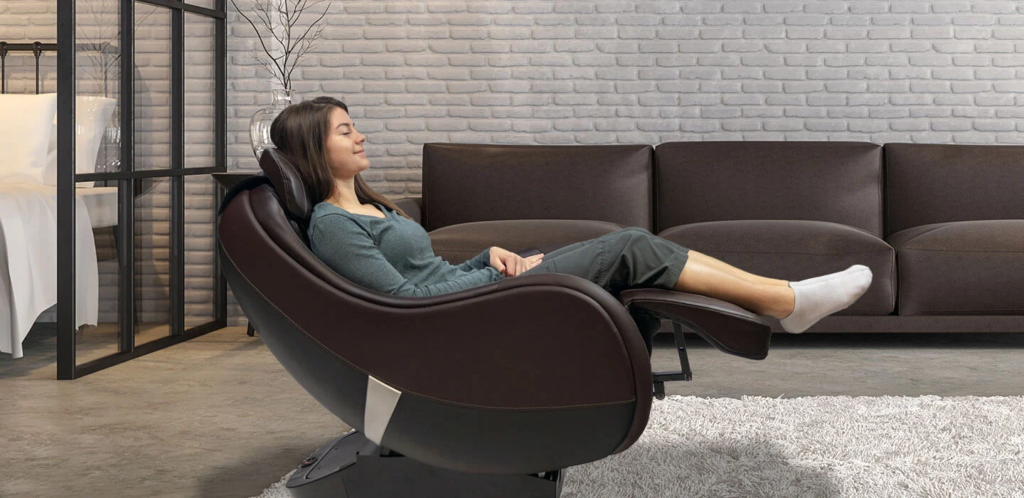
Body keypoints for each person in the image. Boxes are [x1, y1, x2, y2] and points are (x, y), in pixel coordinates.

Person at [269, 96, 873, 335]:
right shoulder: (331, 224)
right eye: (346, 131)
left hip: (476, 290)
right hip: (462, 314)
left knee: (636, 247)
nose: (361, 136)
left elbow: (427, 268)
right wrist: (495, 278)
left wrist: (487, 257)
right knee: (629, 245)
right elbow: (404, 302)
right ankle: (785, 302)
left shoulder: (373, 206)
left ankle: (783, 299)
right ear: (311, 148)